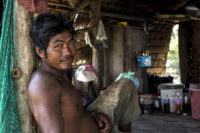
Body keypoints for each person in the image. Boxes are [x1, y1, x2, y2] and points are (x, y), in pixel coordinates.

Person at [28, 13, 140, 133]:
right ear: (40, 51)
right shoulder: (43, 84)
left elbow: (71, 111)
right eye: (58, 46)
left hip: (96, 123)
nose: (68, 52)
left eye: (70, 43)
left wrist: (92, 114)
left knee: (126, 84)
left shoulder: (60, 73)